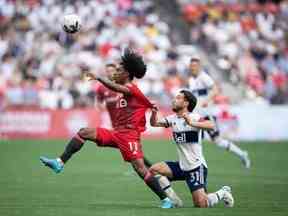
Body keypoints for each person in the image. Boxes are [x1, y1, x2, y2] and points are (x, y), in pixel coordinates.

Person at [40, 49, 174, 208]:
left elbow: (119, 89)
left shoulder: (131, 88)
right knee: (84, 132)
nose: (116, 72)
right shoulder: (122, 88)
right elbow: (119, 93)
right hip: (117, 133)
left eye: (119, 70)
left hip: (130, 136)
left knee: (140, 169)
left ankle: (166, 199)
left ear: (128, 74)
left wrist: (98, 78)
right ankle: (59, 162)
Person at [94, 63, 183, 207]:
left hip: (127, 133)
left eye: (116, 70)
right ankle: (163, 187)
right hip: (117, 130)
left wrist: (99, 78)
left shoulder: (124, 88)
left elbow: (126, 92)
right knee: (139, 164)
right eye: (111, 71)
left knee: (140, 166)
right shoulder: (106, 90)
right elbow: (102, 99)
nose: (113, 73)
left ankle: (164, 190)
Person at [149, 89, 234, 208]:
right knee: (154, 170)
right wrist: (153, 113)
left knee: (201, 204)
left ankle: (223, 192)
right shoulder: (172, 118)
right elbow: (154, 123)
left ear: (186, 103)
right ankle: (174, 201)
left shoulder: (194, 117)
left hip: (196, 167)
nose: (174, 100)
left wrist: (191, 123)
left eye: (178, 98)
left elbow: (211, 125)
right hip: (182, 165)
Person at [187, 55, 251, 168]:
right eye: (191, 66)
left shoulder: (204, 77)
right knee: (195, 142)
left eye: (195, 66)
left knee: (218, 141)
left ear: (199, 67)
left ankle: (242, 154)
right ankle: (197, 165)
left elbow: (215, 89)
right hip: (196, 116)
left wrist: (206, 100)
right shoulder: (191, 80)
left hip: (206, 115)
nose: (193, 68)